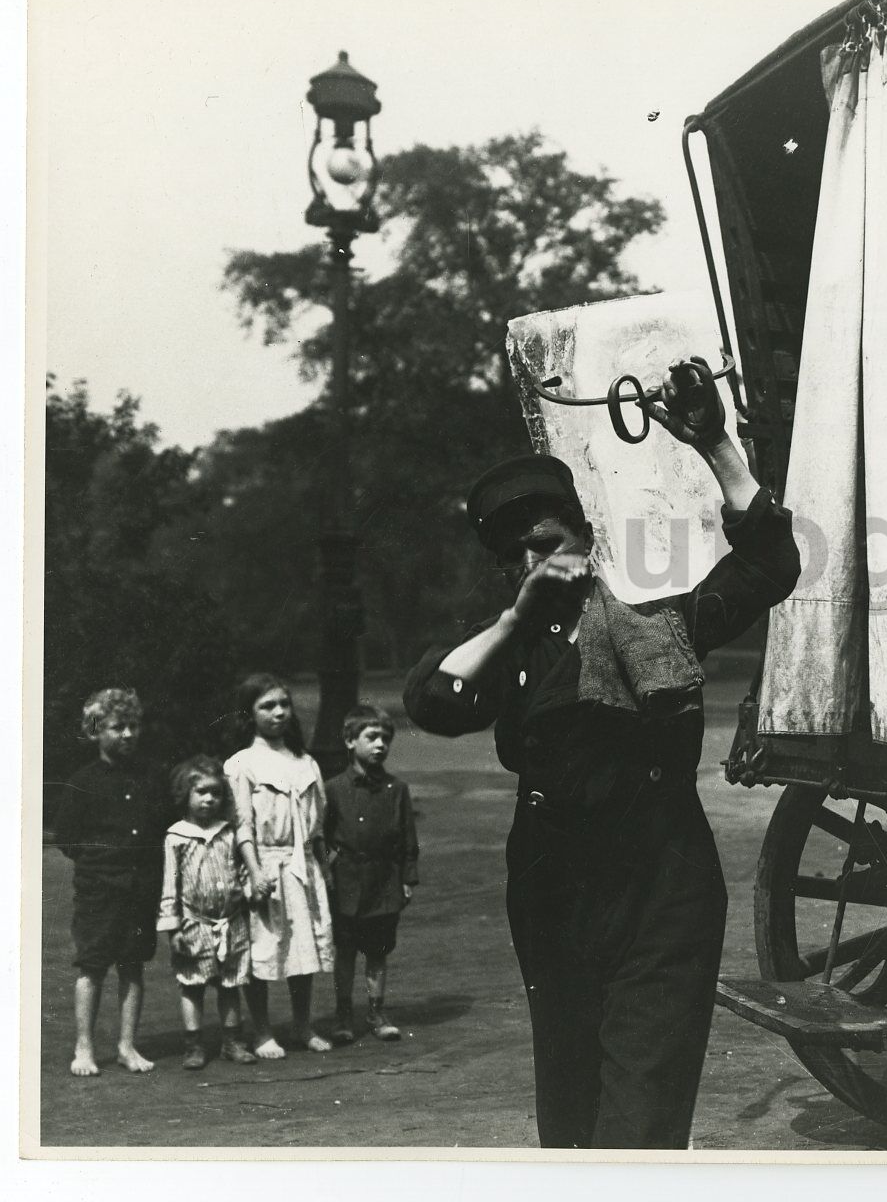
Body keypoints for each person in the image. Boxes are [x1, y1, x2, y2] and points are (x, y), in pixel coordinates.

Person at [404, 358, 800, 1149]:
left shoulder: (659, 623)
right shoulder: (509, 649)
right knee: (569, 1115)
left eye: (547, 543)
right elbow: (433, 704)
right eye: (514, 557)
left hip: (660, 894)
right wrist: (516, 618)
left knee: (640, 1117)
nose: (534, 565)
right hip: (555, 903)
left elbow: (768, 566)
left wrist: (717, 446)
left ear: (586, 539)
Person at [54, 688, 173, 1076]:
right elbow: (67, 838)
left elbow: (161, 827)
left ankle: (126, 1045)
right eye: (117, 727)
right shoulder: (82, 780)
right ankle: (84, 1047)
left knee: (133, 965)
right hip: (99, 889)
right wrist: (101, 865)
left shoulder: (151, 777)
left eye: (133, 726)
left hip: (140, 887)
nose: (127, 734)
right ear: (95, 731)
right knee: (92, 967)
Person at [224, 674, 336, 1057]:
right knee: (263, 949)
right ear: (250, 714)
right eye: (267, 706)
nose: (278, 713)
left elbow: (317, 825)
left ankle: (303, 1025)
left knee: (303, 948)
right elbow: (242, 825)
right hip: (265, 866)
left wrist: (324, 869)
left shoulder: (306, 762)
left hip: (302, 865)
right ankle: (262, 1032)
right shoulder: (242, 764)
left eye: (283, 705)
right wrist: (255, 873)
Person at [324, 704, 419, 1044]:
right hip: (346, 884)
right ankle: (343, 1014)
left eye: (385, 739)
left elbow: (409, 839)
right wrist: (329, 871)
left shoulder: (397, 790)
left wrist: (408, 879)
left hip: (384, 883)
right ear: (350, 741)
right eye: (371, 737)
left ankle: (377, 1011)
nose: (380, 745)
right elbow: (322, 835)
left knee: (377, 952)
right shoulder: (333, 789)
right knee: (346, 951)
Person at [157, 755, 258, 1070]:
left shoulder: (227, 833)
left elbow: (238, 872)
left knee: (230, 985)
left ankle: (232, 1042)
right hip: (194, 925)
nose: (209, 799)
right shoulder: (177, 836)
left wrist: (251, 890)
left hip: (231, 923)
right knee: (192, 984)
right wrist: (173, 929)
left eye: (215, 792)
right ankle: (194, 1045)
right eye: (201, 792)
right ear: (185, 795)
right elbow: (169, 886)